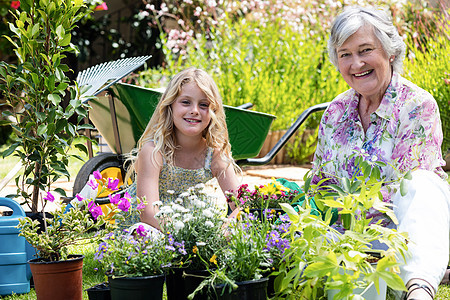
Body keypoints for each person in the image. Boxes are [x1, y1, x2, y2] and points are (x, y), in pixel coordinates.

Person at [311, 6, 450, 300]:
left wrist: (354, 215)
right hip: (344, 242)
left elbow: (409, 193)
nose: (356, 63)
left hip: (399, 239)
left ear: (389, 52)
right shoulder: (334, 112)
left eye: (365, 50)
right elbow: (319, 187)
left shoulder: (416, 106)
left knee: (422, 183)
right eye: (345, 54)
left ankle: (420, 289)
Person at [124, 67, 240, 231]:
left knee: (241, 230)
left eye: (204, 105)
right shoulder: (154, 151)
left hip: (194, 231)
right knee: (143, 234)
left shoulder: (214, 154)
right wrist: (182, 238)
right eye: (185, 102)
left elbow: (241, 204)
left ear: (213, 111)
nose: (194, 111)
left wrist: (225, 229)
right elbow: (148, 213)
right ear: (170, 105)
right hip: (156, 228)